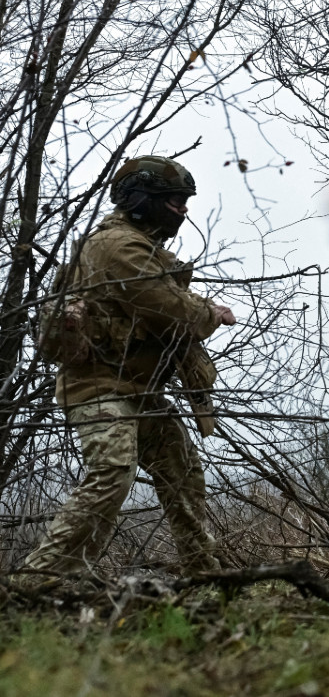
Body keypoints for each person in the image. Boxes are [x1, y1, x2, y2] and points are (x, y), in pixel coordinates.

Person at [25, 155, 236, 577]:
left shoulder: (141, 245)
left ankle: (205, 573)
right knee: (112, 474)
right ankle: (40, 578)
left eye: (183, 200)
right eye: (174, 200)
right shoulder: (117, 246)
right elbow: (169, 307)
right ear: (142, 199)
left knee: (182, 471)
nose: (183, 209)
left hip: (139, 391)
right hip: (100, 388)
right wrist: (209, 312)